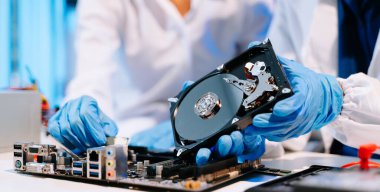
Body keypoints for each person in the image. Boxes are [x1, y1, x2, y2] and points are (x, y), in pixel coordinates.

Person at [49, 0, 380, 165]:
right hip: (136, 142)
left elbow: (270, 82)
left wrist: (334, 98)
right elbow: (90, 80)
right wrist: (256, 138)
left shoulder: (251, 5)